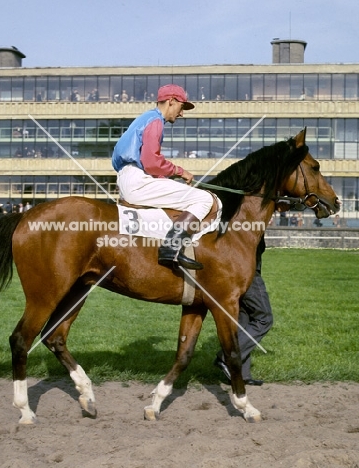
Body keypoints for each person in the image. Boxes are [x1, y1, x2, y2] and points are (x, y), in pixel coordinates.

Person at [112, 84, 214, 270]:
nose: (182, 114)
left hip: (129, 177)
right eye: (182, 107)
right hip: (137, 180)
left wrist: (165, 177)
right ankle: (171, 248)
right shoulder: (155, 121)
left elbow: (149, 165)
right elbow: (152, 162)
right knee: (204, 198)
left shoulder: (144, 118)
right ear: (172, 101)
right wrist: (180, 171)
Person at [214, 236, 273, 386]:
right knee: (264, 319)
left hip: (236, 273)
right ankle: (226, 358)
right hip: (248, 274)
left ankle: (241, 375)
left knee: (244, 319)